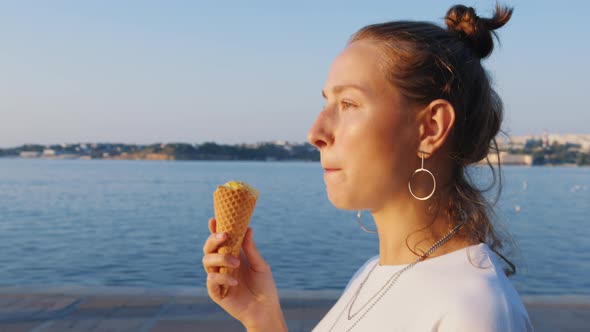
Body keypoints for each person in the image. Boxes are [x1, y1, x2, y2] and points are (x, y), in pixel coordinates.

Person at [202, 3, 533, 331]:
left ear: (431, 128)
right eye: (327, 102)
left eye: (348, 103)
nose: (315, 133)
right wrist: (262, 317)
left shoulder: (474, 314)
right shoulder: (372, 273)